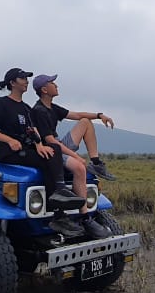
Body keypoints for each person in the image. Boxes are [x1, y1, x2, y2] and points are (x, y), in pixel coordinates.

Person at [0, 67, 85, 239]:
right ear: (12, 83)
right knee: (48, 160)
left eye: (26, 78)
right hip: (8, 152)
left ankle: (59, 202)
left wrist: (39, 145)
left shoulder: (25, 108)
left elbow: (32, 130)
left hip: (25, 149)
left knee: (53, 150)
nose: (26, 81)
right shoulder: (1, 104)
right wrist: (8, 140)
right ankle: (59, 207)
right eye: (22, 78)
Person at [30, 73, 118, 239]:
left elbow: (77, 115)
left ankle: (96, 162)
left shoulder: (52, 108)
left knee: (85, 122)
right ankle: (85, 217)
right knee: (79, 168)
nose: (56, 85)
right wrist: (74, 156)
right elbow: (50, 141)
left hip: (58, 145)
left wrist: (100, 116)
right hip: (50, 151)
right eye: (52, 83)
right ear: (44, 89)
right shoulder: (39, 111)